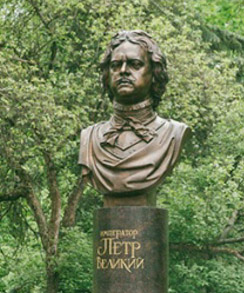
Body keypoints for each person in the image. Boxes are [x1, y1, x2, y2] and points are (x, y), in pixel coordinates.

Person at [78, 30, 188, 203]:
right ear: (107, 76)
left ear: (154, 74)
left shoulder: (173, 133)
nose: (123, 71)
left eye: (135, 64)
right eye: (115, 65)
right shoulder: (89, 138)